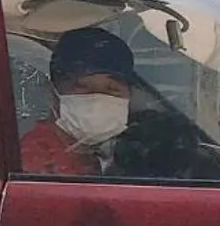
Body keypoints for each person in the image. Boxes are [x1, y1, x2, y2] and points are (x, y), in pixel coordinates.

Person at [18, 25, 140, 176]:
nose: (97, 99)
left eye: (112, 89)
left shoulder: (136, 152)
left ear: (130, 95)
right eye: (82, 87)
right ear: (52, 93)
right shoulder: (33, 161)